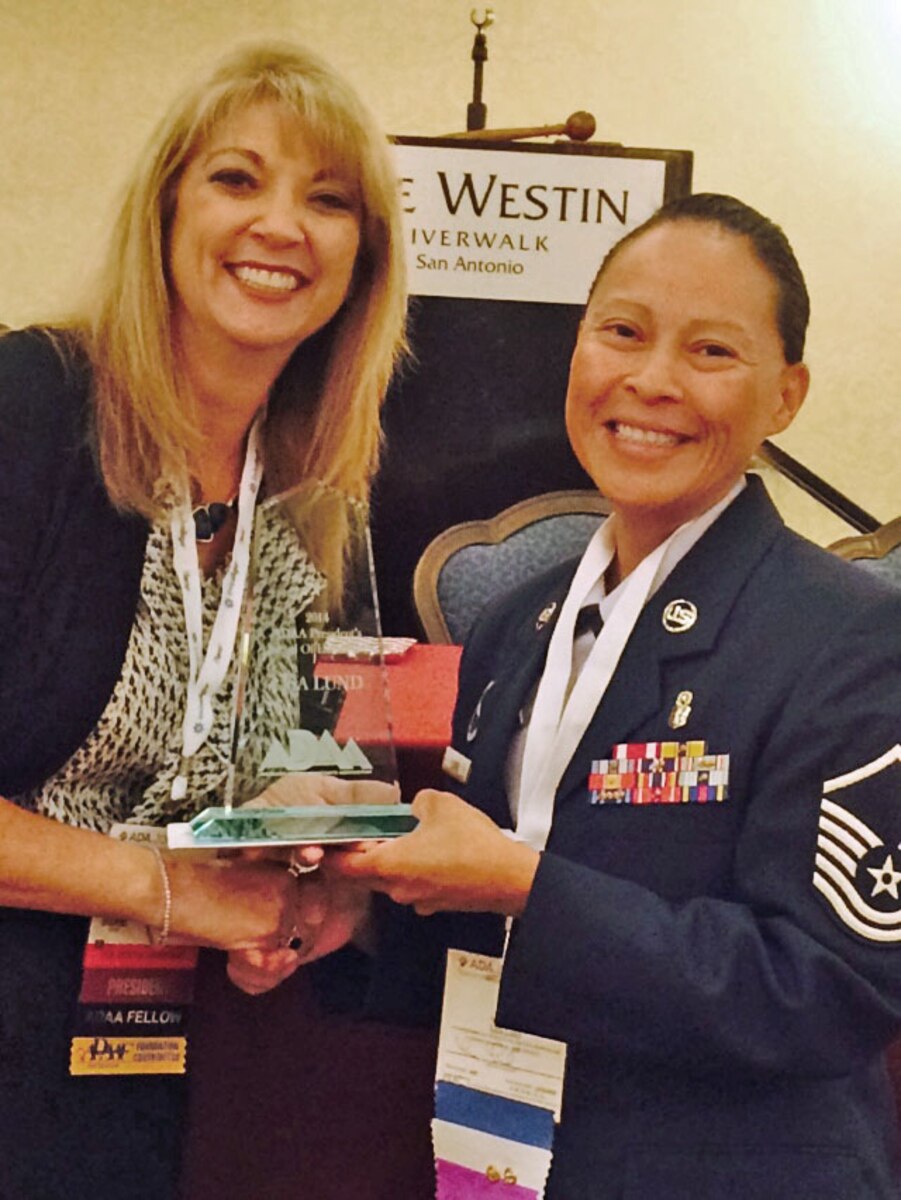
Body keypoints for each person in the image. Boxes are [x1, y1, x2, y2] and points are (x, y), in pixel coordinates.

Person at [325, 194, 901, 1198]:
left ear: (786, 395)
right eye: (620, 332)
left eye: (711, 352)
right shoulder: (514, 626)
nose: (650, 381)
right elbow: (474, 922)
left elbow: (826, 989)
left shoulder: (847, 637)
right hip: (507, 1159)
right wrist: (348, 905)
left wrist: (522, 884)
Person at [0, 41, 405, 1200]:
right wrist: (168, 890)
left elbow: (266, 781)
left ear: (360, 261)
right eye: (238, 179)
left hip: (129, 1051)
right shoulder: (30, 406)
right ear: (167, 207)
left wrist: (314, 882)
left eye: (328, 201)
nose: (282, 224)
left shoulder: (304, 499)